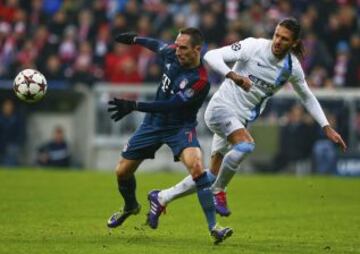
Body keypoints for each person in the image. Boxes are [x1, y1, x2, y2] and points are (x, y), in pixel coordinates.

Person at [147, 17, 347, 219]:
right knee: (246, 145)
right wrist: (232, 75)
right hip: (220, 109)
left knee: (209, 175)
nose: (277, 41)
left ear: (294, 43)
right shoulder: (253, 46)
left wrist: (326, 126)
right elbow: (211, 56)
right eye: (276, 35)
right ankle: (219, 191)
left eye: (284, 39)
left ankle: (162, 197)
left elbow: (307, 96)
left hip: (239, 120)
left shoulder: (291, 67)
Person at [106, 27, 232, 244]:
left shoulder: (200, 80)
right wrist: (135, 39)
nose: (178, 51)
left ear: (197, 49)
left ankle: (214, 227)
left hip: (180, 127)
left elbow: (170, 105)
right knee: (121, 172)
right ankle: (130, 206)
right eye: (177, 45)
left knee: (197, 168)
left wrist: (134, 105)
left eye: (183, 47)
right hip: (152, 125)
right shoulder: (172, 52)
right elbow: (157, 45)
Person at [0, 99, 25, 166]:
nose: (8, 107)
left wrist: (17, 142)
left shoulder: (16, 118)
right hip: (1, 143)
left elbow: (20, 132)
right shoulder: (1, 117)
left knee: (10, 163)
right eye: (6, 105)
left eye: (10, 105)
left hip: (12, 145)